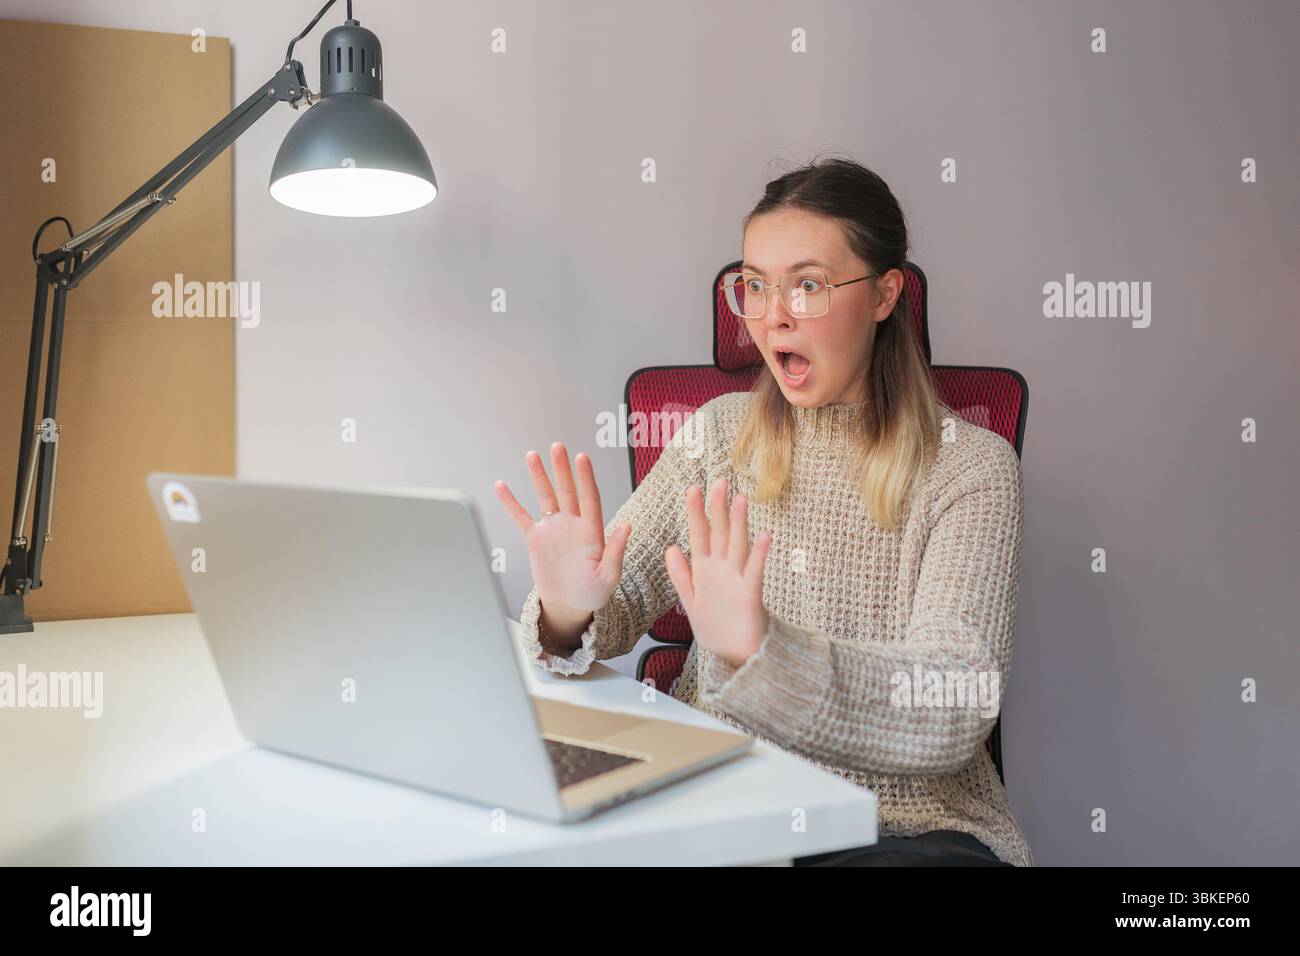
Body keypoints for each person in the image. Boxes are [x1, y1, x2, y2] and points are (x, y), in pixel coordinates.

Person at [494, 156, 1031, 866]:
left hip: (903, 831)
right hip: (724, 803)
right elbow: (615, 603)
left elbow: (953, 701)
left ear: (884, 294)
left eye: (807, 285)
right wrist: (567, 609)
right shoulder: (718, 434)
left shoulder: (973, 468)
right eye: (754, 286)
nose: (772, 315)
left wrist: (765, 655)